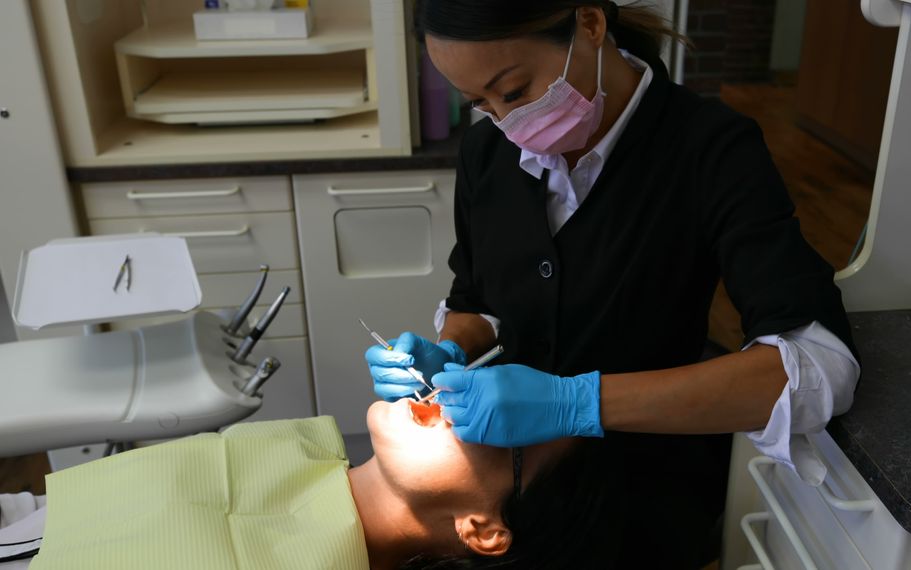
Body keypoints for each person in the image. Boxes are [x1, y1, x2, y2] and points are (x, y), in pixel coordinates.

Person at [365, 1, 862, 567]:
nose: (507, 122)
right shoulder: (486, 151)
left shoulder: (710, 148)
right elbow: (478, 298)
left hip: (649, 492)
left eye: (516, 90)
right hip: (530, 504)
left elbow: (817, 366)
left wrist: (578, 401)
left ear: (590, 24)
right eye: (481, 103)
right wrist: (454, 345)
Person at [1, 402, 624, 570]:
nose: (467, 401)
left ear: (482, 529)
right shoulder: (294, 460)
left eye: (506, 426)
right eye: (491, 387)